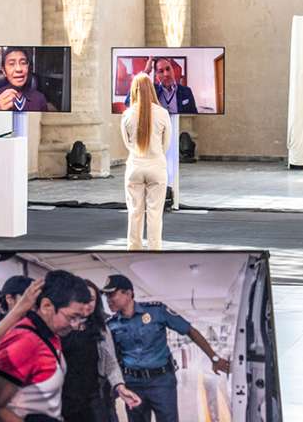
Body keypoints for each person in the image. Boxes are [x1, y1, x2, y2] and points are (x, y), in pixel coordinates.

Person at [102, 274, 231, 422]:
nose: (108, 299)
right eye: (106, 295)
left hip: (161, 382)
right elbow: (111, 358)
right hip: (132, 384)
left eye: (111, 294)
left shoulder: (157, 312)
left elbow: (190, 331)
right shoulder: (111, 325)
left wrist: (214, 358)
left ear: (128, 293)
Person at [0, 270, 91, 422]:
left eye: (80, 319)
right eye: (71, 317)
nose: (75, 326)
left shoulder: (52, 334)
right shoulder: (25, 342)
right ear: (47, 305)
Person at [60, 279, 142, 422]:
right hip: (63, 398)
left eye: (91, 299)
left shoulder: (101, 328)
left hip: (93, 398)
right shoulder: (60, 326)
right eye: (81, 298)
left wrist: (120, 387)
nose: (86, 303)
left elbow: (110, 362)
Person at [121, 73, 172, 250]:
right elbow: (166, 144)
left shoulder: (127, 114)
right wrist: (156, 154)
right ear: (151, 89)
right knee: (155, 213)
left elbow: (127, 143)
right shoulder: (163, 113)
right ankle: (154, 249)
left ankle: (133, 248)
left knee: (134, 213)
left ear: (133, 90)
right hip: (157, 167)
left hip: (134, 166)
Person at [0, 47, 49, 112]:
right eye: (11, 64)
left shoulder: (40, 98)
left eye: (23, 63)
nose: (18, 69)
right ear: (4, 71)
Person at [125, 57, 197, 114]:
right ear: (156, 75)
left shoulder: (186, 91)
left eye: (168, 69)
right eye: (161, 71)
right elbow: (128, 102)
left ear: (173, 70)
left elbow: (194, 114)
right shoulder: (151, 89)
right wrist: (145, 72)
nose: (166, 74)